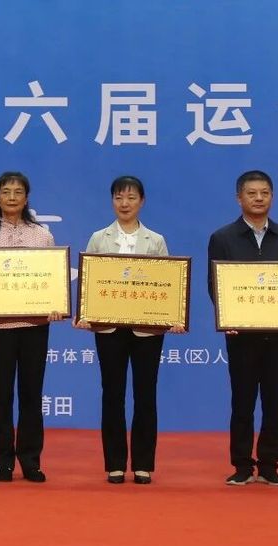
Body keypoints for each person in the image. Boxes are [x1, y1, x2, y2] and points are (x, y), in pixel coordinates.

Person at [75, 176, 184, 485]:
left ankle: (143, 464)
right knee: (112, 394)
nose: (125, 203)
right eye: (119, 198)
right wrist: (85, 314)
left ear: (142, 201)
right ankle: (115, 464)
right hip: (109, 329)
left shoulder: (156, 240)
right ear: (112, 201)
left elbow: (166, 284)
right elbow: (89, 281)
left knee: (145, 395)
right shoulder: (99, 238)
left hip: (146, 330)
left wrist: (173, 317)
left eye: (131, 198)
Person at [207, 170, 278, 487]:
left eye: (264, 193)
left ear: (272, 197)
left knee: (275, 402)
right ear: (239, 198)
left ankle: (269, 465)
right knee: (243, 401)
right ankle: (241, 465)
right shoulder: (223, 238)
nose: (259, 198)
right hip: (242, 336)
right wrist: (227, 316)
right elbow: (215, 285)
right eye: (252, 193)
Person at [0, 171, 62, 483]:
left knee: (32, 394)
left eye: (18, 192)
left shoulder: (42, 236)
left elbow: (52, 280)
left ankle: (30, 461)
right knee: (1, 395)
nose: (12, 197)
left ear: (26, 198)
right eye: (6, 192)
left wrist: (56, 304)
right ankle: (2, 462)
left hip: (35, 325)